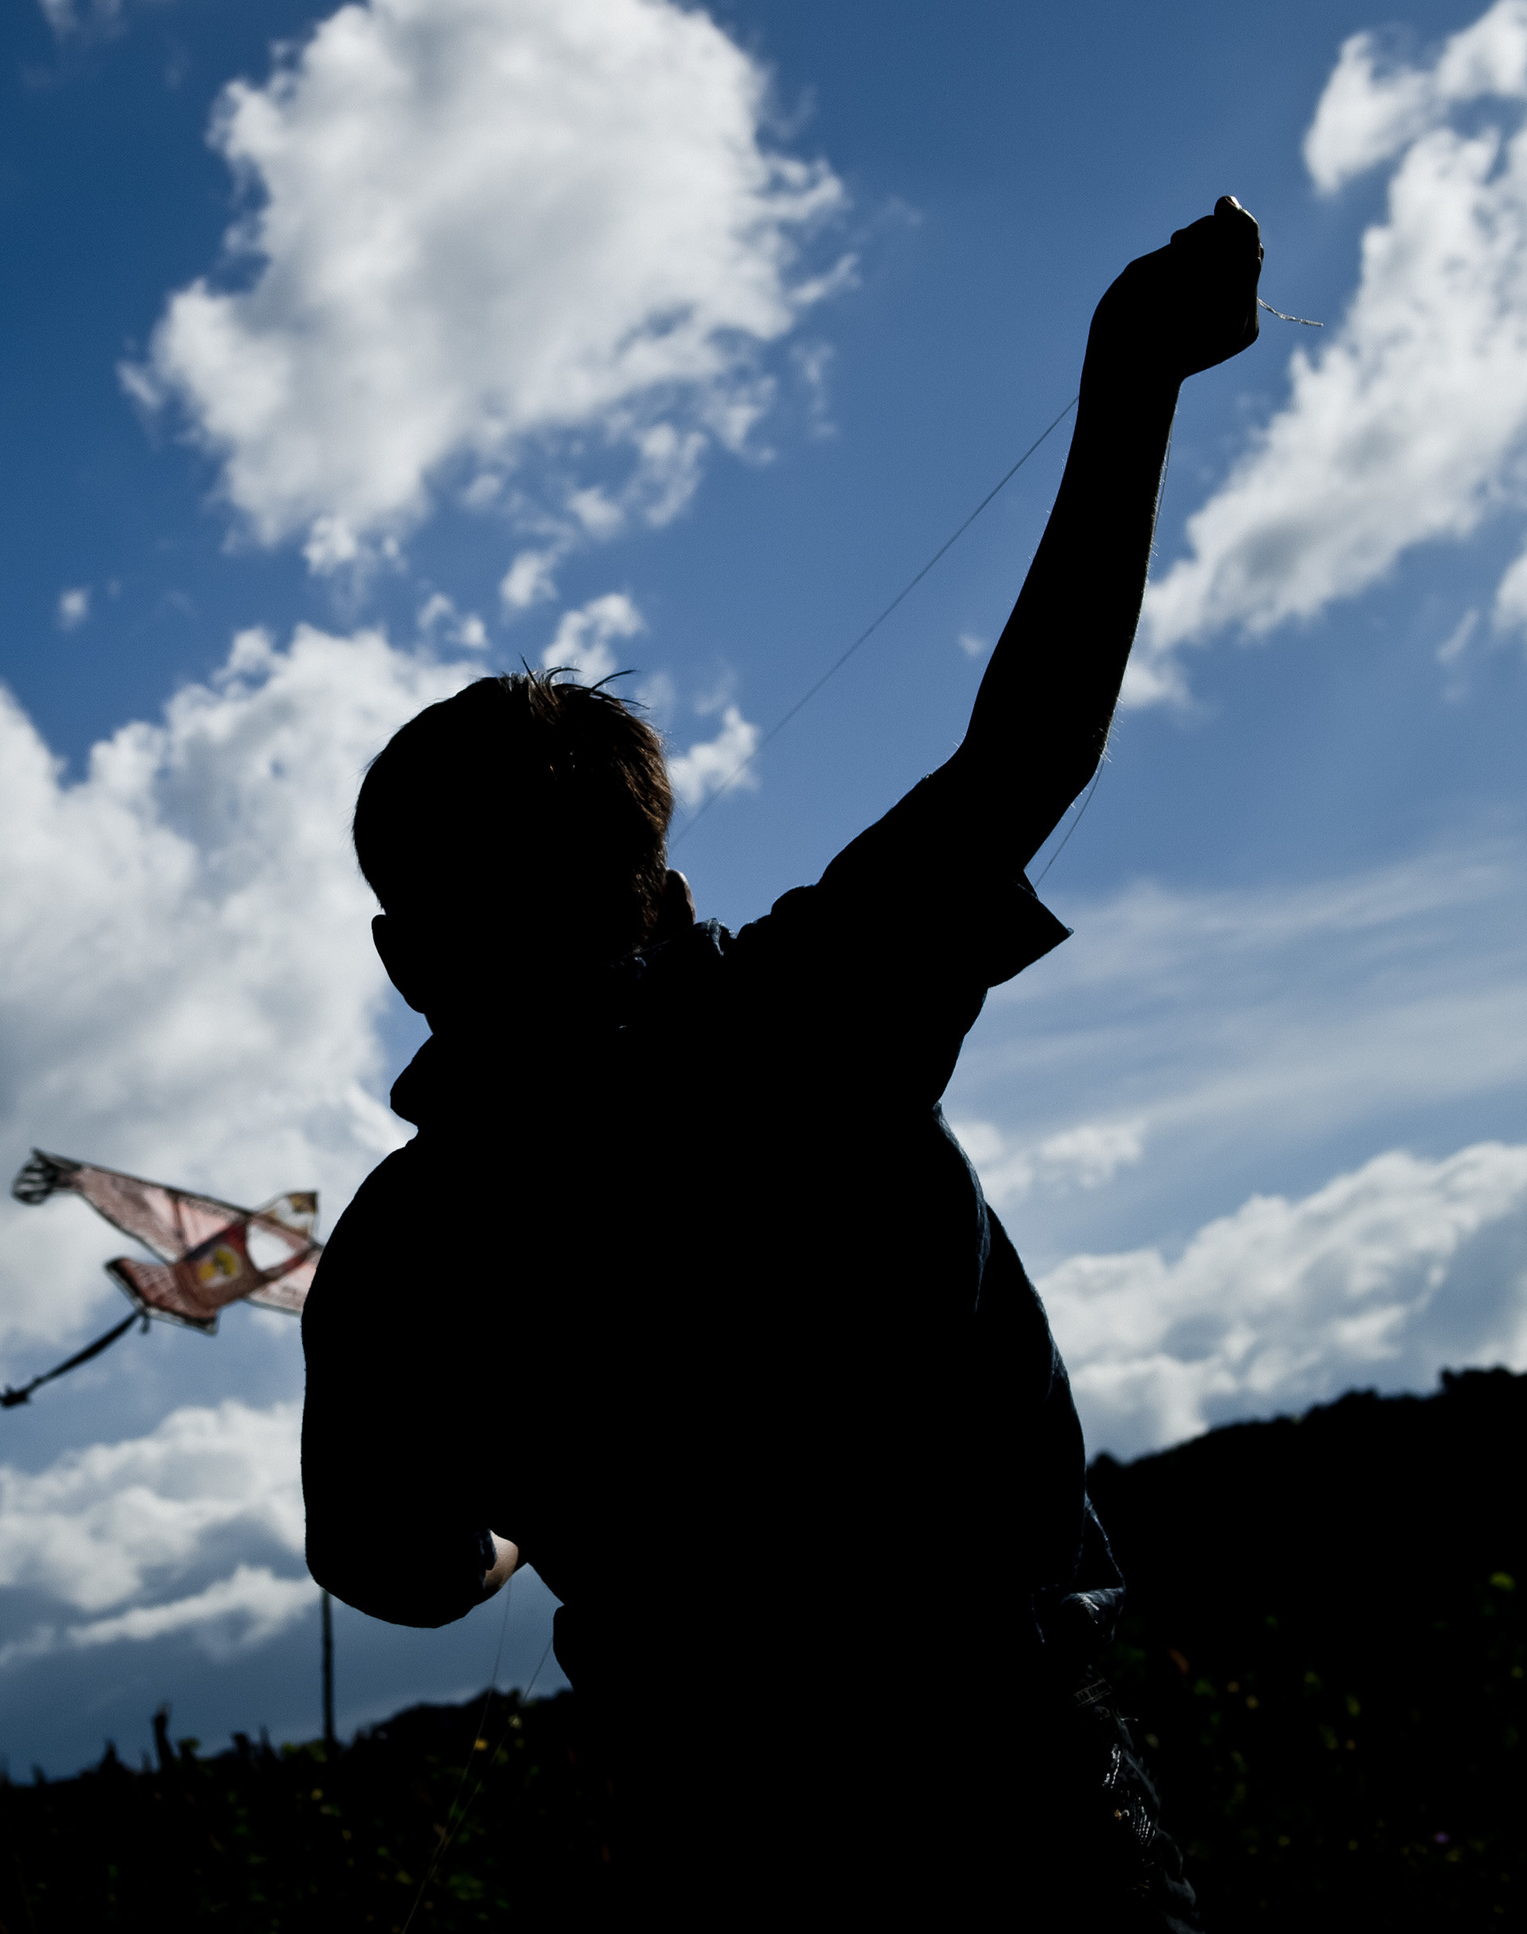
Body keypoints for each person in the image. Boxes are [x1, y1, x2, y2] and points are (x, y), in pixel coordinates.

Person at [302, 198, 1264, 1928]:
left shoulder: (398, 1249)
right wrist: (1131, 390)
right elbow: (1031, 748)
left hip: (723, 1844)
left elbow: (394, 1569)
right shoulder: (805, 1022)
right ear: (660, 889)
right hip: (1023, 1812)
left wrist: (539, 1514)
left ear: (403, 961)